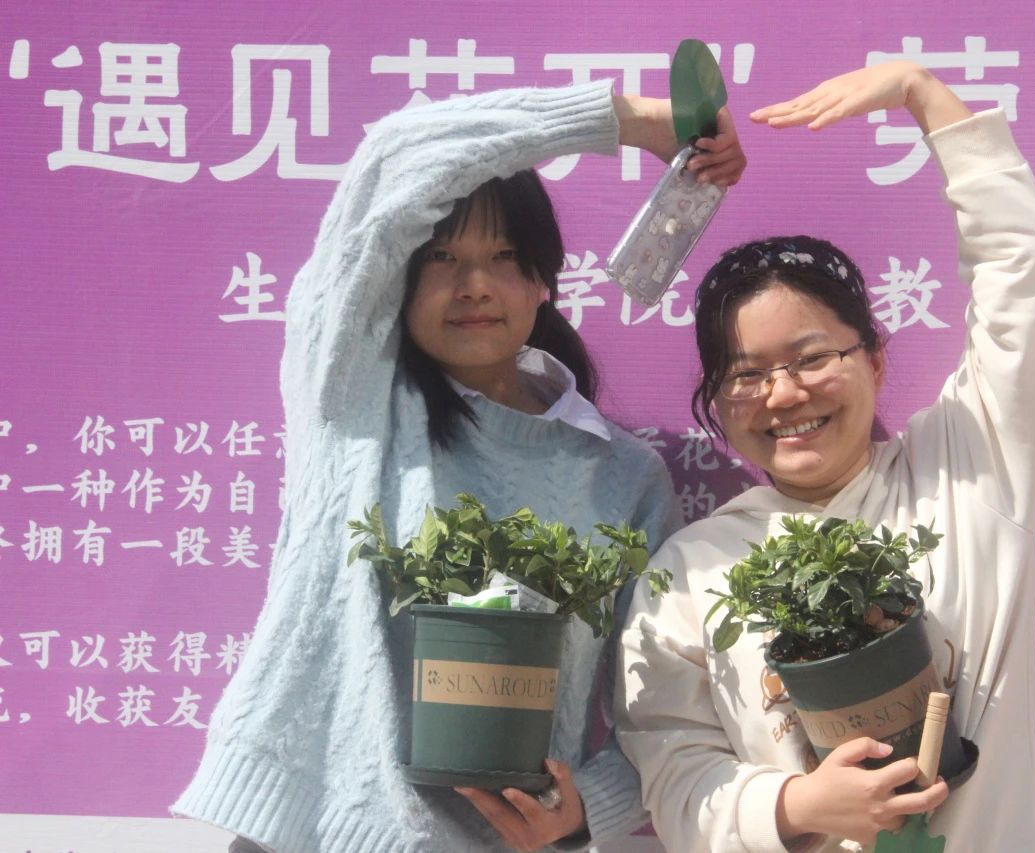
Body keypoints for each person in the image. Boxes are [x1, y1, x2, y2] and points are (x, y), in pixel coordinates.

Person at [171, 81, 745, 853]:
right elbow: (398, 154)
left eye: (504, 257)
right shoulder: (351, 397)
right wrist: (630, 121)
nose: (474, 284)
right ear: (397, 278)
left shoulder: (622, 475)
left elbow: (662, 698)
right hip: (307, 836)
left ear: (544, 281)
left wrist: (585, 810)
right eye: (442, 257)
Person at [615, 60, 1035, 853]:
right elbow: (672, 766)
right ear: (717, 400)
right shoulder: (688, 570)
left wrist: (923, 95)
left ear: (875, 361)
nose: (785, 393)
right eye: (747, 374)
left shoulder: (967, 469)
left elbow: (1027, 275)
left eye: (812, 357)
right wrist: (796, 805)